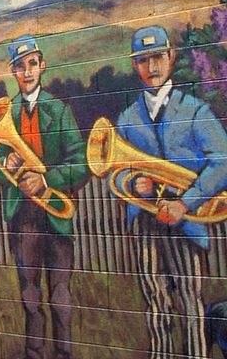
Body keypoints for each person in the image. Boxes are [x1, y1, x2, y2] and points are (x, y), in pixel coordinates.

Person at [113, 26, 227, 358]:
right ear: (135, 65)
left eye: (158, 57)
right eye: (143, 60)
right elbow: (119, 175)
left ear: (171, 58)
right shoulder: (127, 118)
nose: (152, 67)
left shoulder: (194, 111)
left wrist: (186, 201)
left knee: (191, 300)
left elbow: (222, 161)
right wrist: (136, 185)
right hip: (148, 223)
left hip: (185, 221)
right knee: (155, 300)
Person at [0, 35, 88, 359]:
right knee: (30, 295)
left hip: (55, 214)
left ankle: (63, 353)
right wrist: (8, 165)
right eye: (20, 66)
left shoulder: (59, 111)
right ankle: (34, 353)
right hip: (24, 219)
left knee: (59, 295)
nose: (27, 72)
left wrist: (45, 178)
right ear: (13, 72)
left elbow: (80, 162)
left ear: (42, 65)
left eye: (32, 64)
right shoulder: (9, 111)